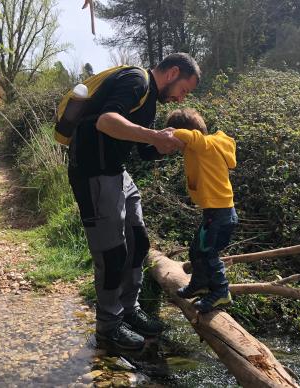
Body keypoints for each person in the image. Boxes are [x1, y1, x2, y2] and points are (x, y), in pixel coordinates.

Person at [68, 53, 201, 350]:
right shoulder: (137, 81)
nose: (181, 99)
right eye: (184, 90)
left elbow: (141, 150)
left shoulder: (149, 99)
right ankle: (108, 327)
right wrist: (154, 134)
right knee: (112, 253)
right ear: (173, 72)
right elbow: (106, 121)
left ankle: (129, 309)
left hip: (117, 173)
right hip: (94, 174)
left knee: (138, 241)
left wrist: (164, 146)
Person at [166, 108, 238, 313]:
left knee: (208, 253)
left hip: (220, 214)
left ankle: (222, 292)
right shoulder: (203, 148)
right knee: (197, 251)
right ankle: (200, 284)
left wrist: (170, 132)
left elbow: (192, 136)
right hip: (215, 213)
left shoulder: (205, 145)